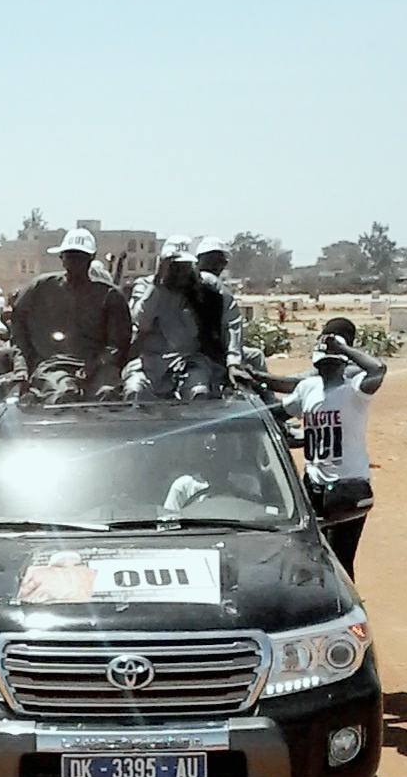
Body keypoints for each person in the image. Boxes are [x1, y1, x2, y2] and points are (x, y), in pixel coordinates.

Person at [252, 324, 386, 578]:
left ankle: (344, 612)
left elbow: (378, 369)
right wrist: (255, 385)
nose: (326, 368)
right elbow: (280, 411)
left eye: (332, 362)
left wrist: (343, 348)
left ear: (342, 362)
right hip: (314, 485)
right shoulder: (308, 388)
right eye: (323, 363)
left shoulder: (355, 389)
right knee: (314, 554)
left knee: (341, 559)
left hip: (348, 487)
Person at [9, 227, 132, 404]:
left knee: (108, 394)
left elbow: (118, 343)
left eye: (81, 258)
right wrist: (25, 362)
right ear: (61, 258)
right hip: (53, 365)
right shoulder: (40, 288)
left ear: (91, 259)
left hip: (99, 366)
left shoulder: (110, 295)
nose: (75, 262)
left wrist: (96, 363)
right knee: (63, 394)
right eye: (70, 256)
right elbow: (18, 324)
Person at [123, 237, 219, 402]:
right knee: (134, 391)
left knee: (199, 391)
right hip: (150, 362)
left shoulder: (200, 290)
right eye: (175, 267)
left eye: (185, 267)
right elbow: (140, 321)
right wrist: (158, 285)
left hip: (188, 361)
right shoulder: (145, 286)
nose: (181, 272)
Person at [195, 236, 250, 378]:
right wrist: (233, 361)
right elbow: (233, 325)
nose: (221, 265)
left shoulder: (180, 284)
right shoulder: (218, 287)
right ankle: (268, 398)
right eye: (217, 260)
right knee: (256, 356)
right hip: (210, 353)